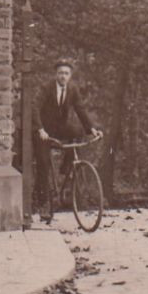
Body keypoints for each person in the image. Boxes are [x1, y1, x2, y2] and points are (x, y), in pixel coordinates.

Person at [33, 59, 101, 223]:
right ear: (55, 74)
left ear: (70, 76)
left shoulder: (72, 89)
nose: (63, 76)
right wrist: (40, 129)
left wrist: (91, 129)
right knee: (43, 163)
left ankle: (67, 165)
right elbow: (34, 107)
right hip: (43, 130)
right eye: (60, 73)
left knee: (77, 131)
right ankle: (43, 204)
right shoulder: (47, 88)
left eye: (66, 73)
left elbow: (80, 109)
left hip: (59, 127)